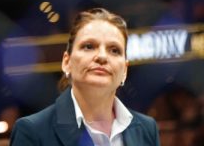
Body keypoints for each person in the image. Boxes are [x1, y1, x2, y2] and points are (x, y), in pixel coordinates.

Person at [9, 8, 161, 146]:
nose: (102, 56)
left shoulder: (147, 129)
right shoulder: (32, 131)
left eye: (114, 50)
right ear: (66, 62)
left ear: (125, 71)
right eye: (89, 46)